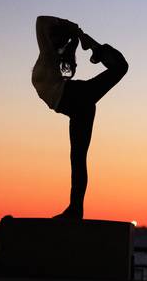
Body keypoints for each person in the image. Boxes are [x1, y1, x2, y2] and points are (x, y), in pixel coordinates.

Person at [32, 16, 128, 220]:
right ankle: (76, 209)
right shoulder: (51, 54)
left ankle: (96, 48)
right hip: (78, 106)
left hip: (75, 96)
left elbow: (41, 22)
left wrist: (77, 34)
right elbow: (41, 21)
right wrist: (75, 34)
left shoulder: (50, 53)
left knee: (121, 67)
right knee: (77, 158)